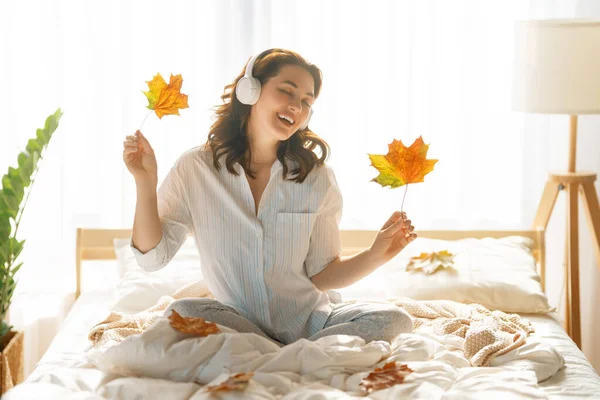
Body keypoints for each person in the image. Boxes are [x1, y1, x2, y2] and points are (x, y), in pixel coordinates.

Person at [122, 48, 416, 347]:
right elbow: (153, 259)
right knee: (182, 311)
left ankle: (276, 356)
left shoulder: (317, 178)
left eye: (306, 101)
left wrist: (375, 255)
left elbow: (322, 276)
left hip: (312, 323)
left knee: (395, 319)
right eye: (287, 91)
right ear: (249, 91)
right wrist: (145, 182)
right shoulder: (195, 168)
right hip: (237, 325)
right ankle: (298, 358)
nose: (296, 106)